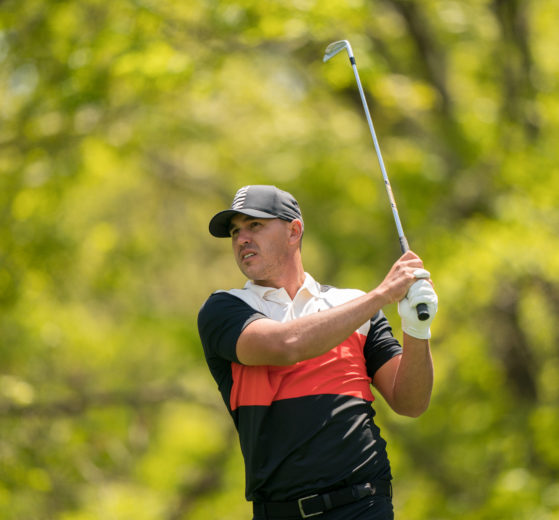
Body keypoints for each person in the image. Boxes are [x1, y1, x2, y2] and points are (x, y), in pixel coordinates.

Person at [197, 185, 438, 519]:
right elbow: (285, 345)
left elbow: (410, 402)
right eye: (236, 232)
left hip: (365, 504)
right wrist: (381, 295)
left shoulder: (351, 304)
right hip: (281, 512)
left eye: (255, 225)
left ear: (294, 231)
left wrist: (417, 329)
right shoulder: (225, 308)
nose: (242, 239)